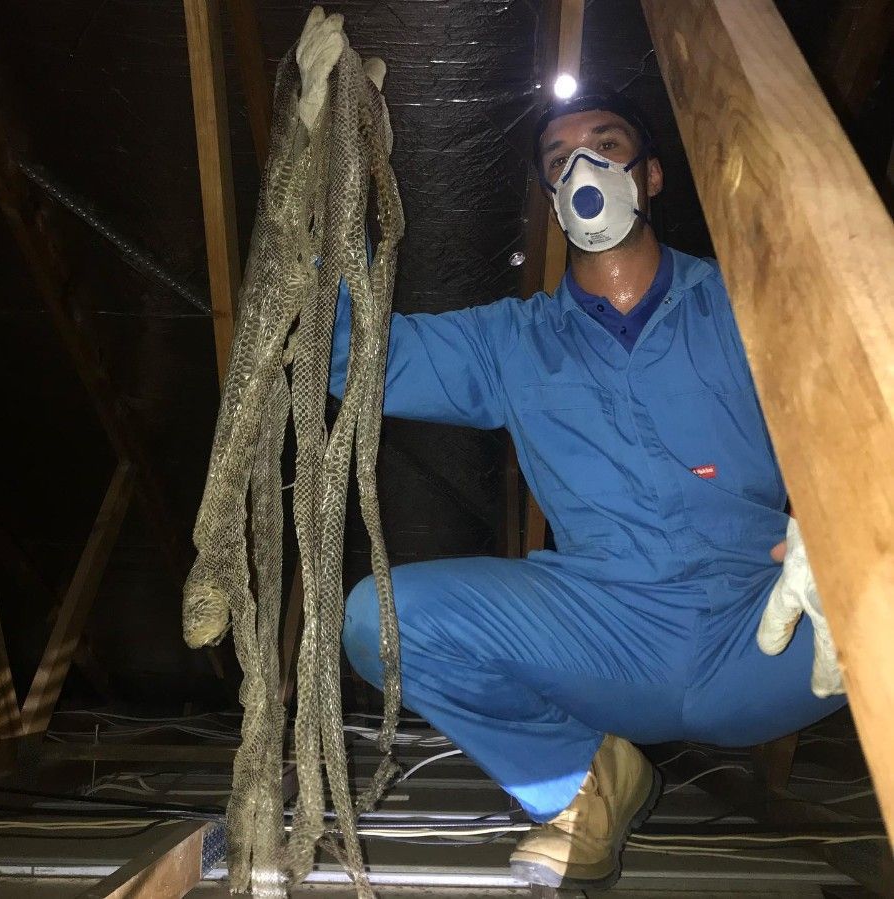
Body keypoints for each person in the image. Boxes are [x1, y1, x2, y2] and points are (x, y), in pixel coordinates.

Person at [331, 87, 847, 890]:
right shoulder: (511, 342)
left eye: (605, 145)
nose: (582, 169)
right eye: (557, 160)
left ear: (650, 176)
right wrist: (329, 206)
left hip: (768, 630)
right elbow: (354, 363)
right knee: (379, 619)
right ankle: (582, 780)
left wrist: (851, 526)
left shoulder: (748, 304)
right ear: (549, 197)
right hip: (606, 636)